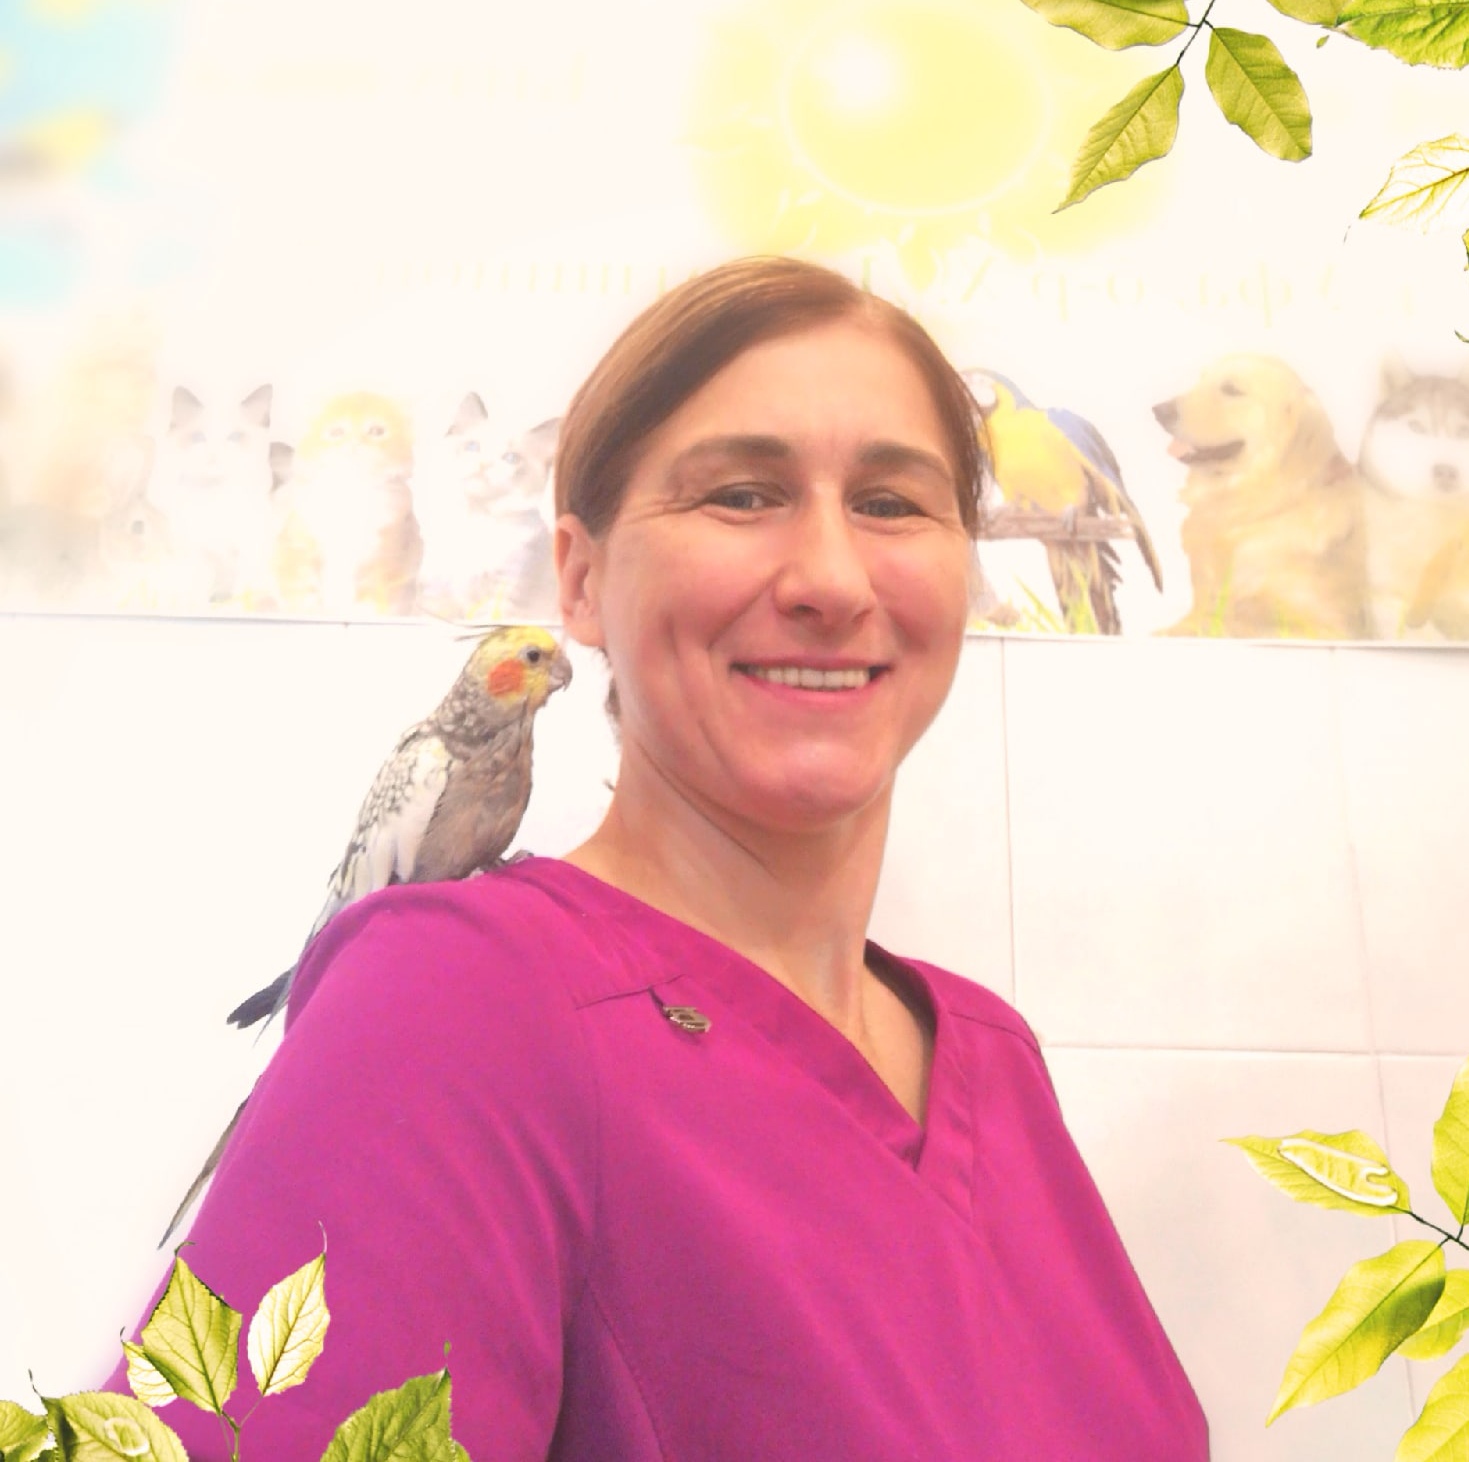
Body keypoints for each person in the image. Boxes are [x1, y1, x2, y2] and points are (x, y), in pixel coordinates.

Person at [110, 257, 1208, 1458]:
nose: (830, 579)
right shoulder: (453, 1002)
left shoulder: (993, 1060)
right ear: (580, 581)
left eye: (892, 503)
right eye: (740, 495)